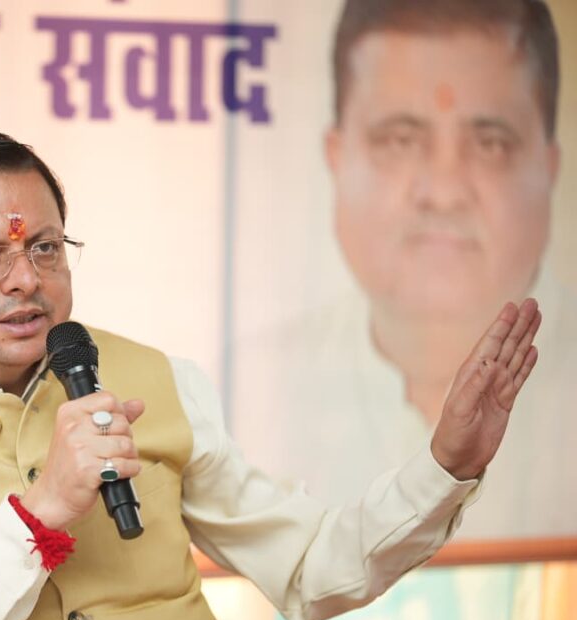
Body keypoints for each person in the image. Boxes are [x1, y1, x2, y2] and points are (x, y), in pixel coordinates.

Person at [0, 130, 539, 620]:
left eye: (45, 247)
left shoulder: (155, 379)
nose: (26, 279)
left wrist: (446, 466)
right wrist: (38, 515)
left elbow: (310, 568)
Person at [235, 0, 575, 540]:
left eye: (490, 144)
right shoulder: (246, 390)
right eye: (400, 140)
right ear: (336, 158)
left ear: (549, 167)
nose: (443, 192)